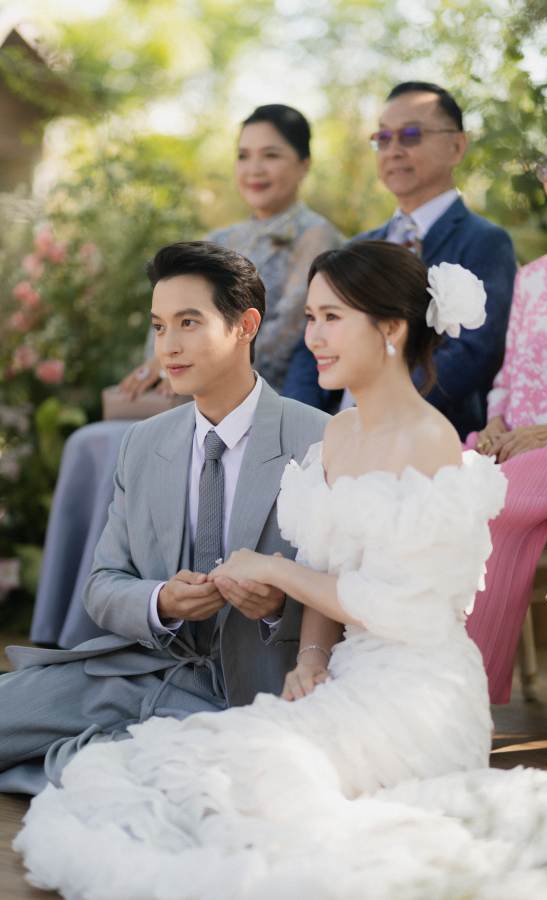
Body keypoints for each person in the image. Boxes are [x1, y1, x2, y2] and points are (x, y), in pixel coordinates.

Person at [14, 243, 547, 899]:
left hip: (417, 693)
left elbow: (404, 607)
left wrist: (273, 575)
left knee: (245, 795)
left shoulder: (428, 440)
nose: (313, 337)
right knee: (185, 778)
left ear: (390, 328)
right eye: (312, 318)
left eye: (331, 319)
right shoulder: (340, 436)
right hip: (324, 676)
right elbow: (323, 559)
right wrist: (311, 659)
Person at [0, 241, 329, 796]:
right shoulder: (141, 443)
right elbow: (102, 586)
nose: (168, 347)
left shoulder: (317, 438)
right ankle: (87, 755)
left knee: (132, 785)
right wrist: (161, 602)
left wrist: (279, 608)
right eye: (159, 327)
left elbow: (348, 598)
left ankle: (85, 762)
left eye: (188, 323)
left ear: (245, 326)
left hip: (251, 694)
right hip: (136, 672)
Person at [30, 104, 343, 649]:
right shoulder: (221, 236)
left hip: (269, 388)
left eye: (270, 155)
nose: (254, 168)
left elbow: (289, 326)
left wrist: (217, 355)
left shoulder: (317, 236)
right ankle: (76, 627)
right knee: (98, 442)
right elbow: (172, 319)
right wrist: (158, 363)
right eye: (244, 155)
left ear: (303, 164)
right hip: (189, 401)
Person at [283, 81, 516, 438]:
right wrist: (303, 427)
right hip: (331, 434)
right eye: (383, 138)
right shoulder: (360, 245)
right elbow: (307, 348)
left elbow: (474, 352)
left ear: (456, 146)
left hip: (428, 435)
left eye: (410, 135)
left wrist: (378, 417)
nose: (393, 150)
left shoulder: (485, 243)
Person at [464, 106, 547, 711]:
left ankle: (469, 693)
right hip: (523, 443)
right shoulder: (534, 277)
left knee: (498, 497)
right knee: (441, 478)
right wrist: (496, 422)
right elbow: (508, 374)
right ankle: (406, 674)